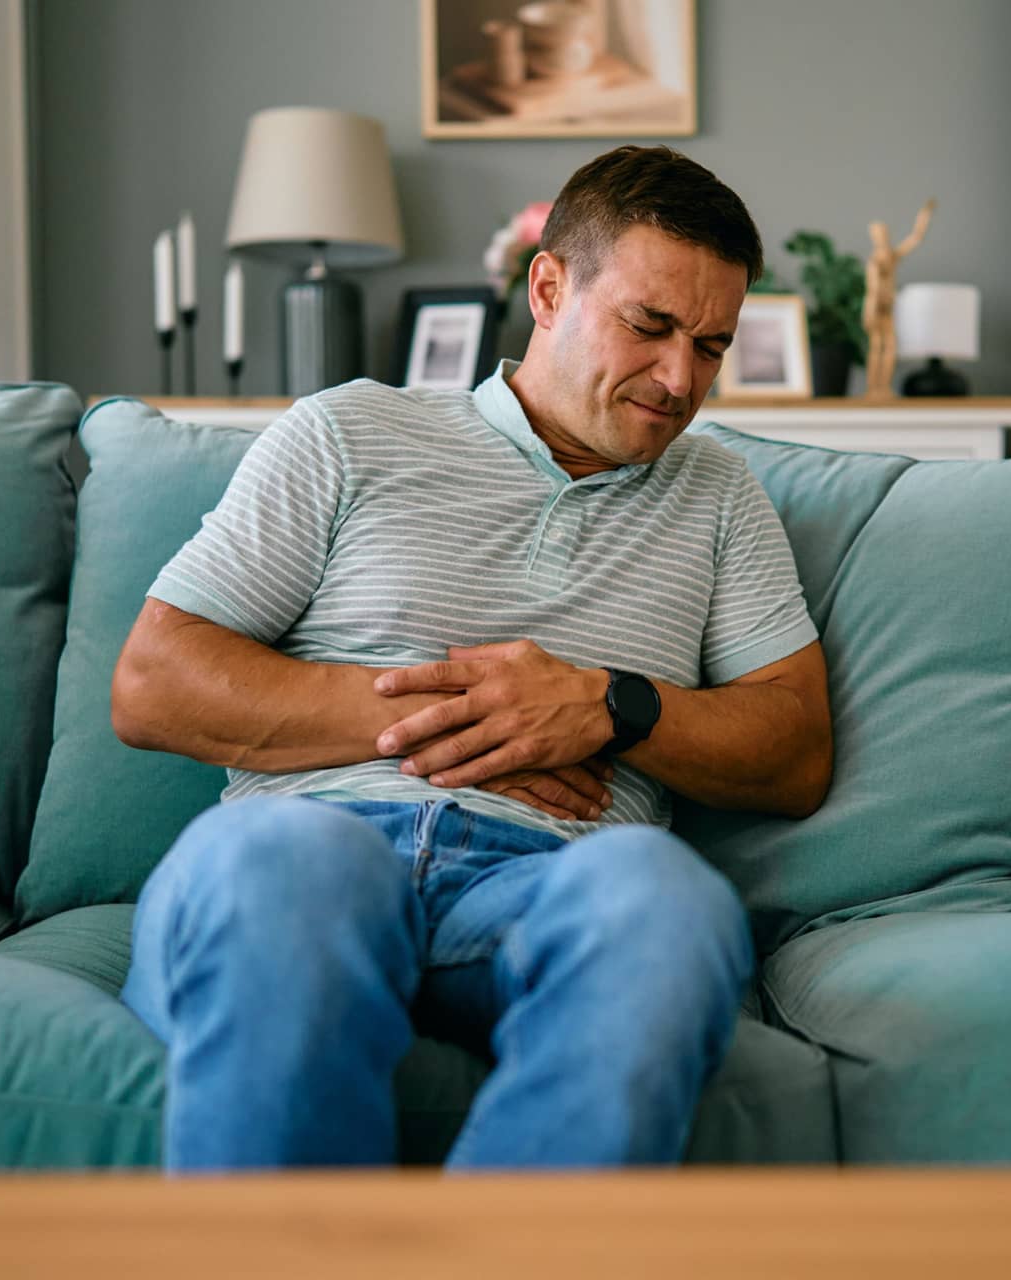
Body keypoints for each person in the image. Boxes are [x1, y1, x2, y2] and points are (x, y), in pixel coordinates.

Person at [111, 144, 833, 1171]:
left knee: (666, 899)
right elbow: (152, 680)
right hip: (306, 851)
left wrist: (606, 705)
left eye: (711, 345)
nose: (680, 380)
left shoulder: (717, 495)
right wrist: (475, 715)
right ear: (548, 287)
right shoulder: (349, 430)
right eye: (650, 326)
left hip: (542, 886)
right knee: (288, 862)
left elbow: (795, 747)